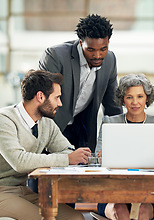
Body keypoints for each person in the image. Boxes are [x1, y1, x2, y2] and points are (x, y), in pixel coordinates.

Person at [0, 70, 91, 220]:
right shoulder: (3, 120)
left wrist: (70, 156)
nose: (60, 103)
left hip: (21, 192)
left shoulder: (46, 123)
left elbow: (66, 149)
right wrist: (67, 159)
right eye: (57, 97)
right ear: (40, 97)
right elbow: (19, 161)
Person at [95, 74, 154, 220]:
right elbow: (97, 158)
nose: (135, 102)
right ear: (122, 99)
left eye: (140, 97)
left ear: (147, 99)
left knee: (141, 211)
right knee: (119, 209)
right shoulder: (110, 123)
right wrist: (101, 158)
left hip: (151, 194)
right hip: (112, 193)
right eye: (129, 97)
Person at [39, 14, 122, 152]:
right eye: (91, 49)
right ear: (80, 42)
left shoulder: (110, 60)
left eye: (103, 49)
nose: (97, 55)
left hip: (83, 130)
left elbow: (113, 107)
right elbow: (42, 101)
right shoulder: (55, 56)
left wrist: (116, 143)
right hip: (54, 127)